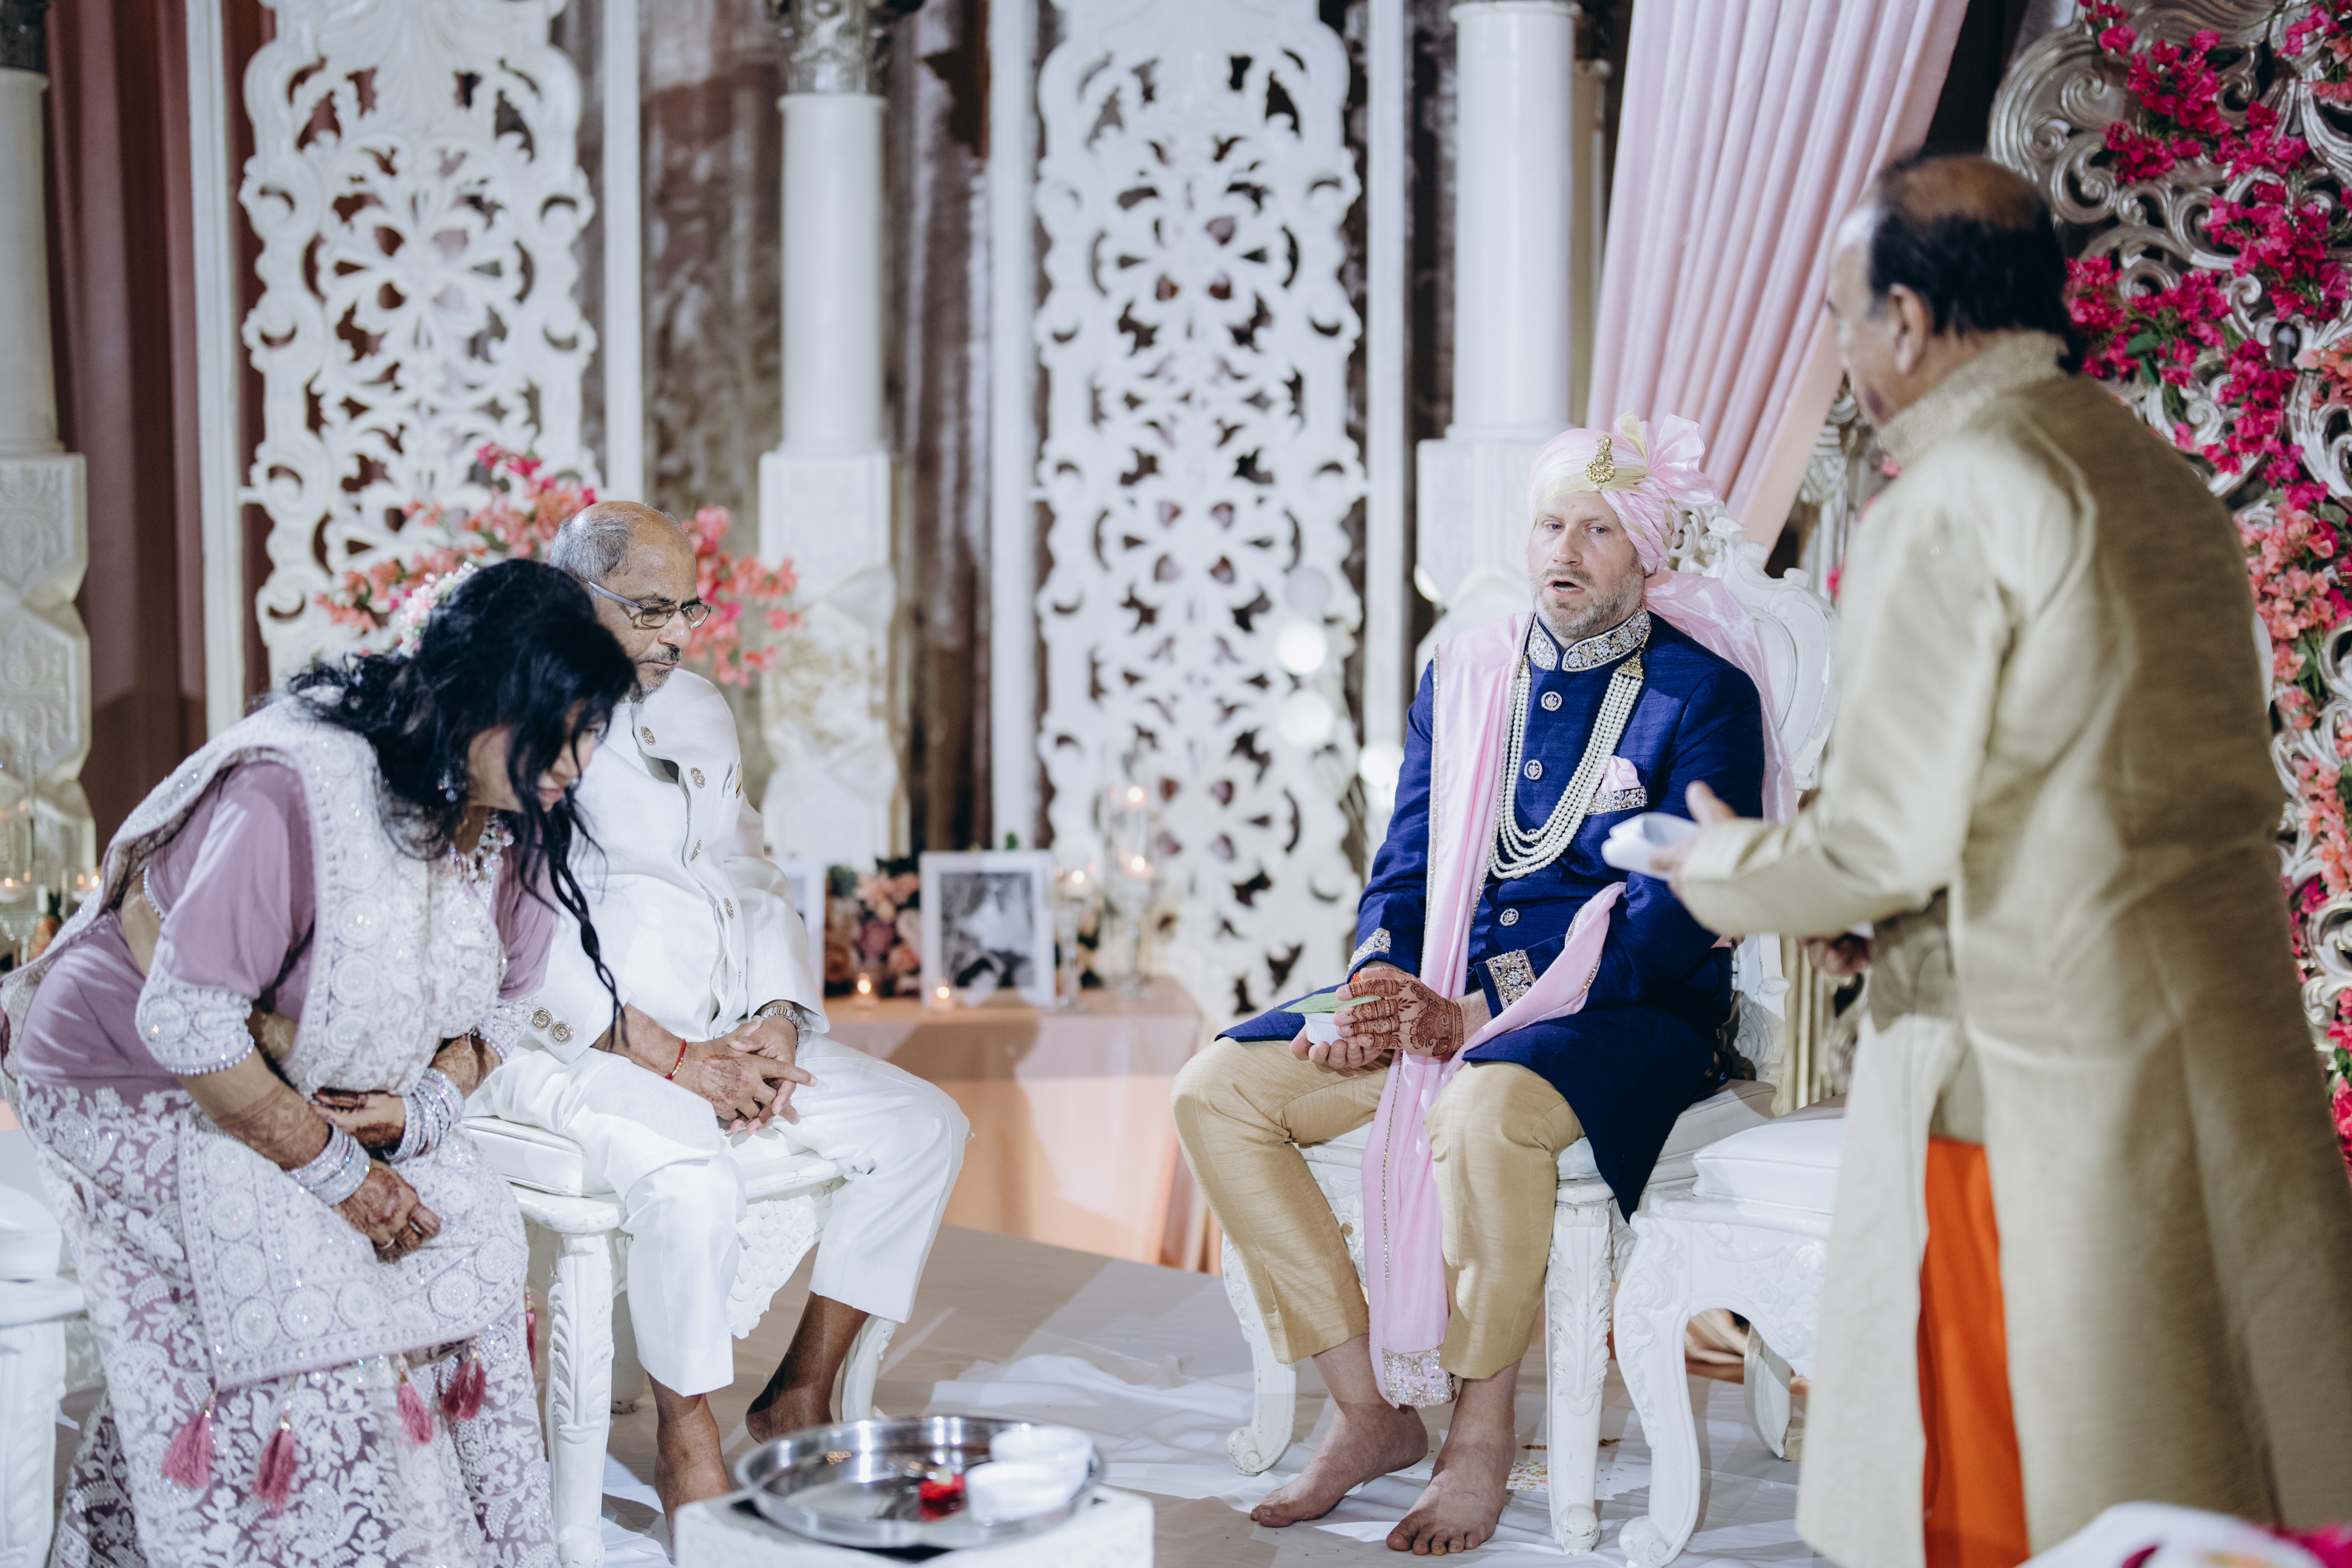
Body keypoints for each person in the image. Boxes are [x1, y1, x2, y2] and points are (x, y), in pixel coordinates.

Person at [1654, 153, 2352, 1568]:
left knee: (2017, 1494)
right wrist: (1887, 913)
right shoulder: (2158, 480)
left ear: (1908, 321)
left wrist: (1723, 866)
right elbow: (2094, 784)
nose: (1844, 351)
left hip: (2027, 1080)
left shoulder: (1951, 493)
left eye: (1842, 317)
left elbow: (1881, 837)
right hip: (2219, 1053)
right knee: (2202, 1475)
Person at [1175, 413, 1782, 1555]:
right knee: (1216, 1088)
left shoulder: (1702, 693)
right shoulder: (1462, 671)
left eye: (1597, 529)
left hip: (1622, 1010)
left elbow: (1679, 914)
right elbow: (1405, 863)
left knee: (1482, 1107)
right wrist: (1377, 982)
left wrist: (1477, 1011)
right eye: (1550, 524)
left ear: (1645, 552)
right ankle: (1366, 1408)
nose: (1564, 550)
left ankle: (1479, 1430)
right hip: (1437, 989)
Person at [0, 559, 635, 1567]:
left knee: (472, 1230)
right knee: (299, 1272)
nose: (575, 759)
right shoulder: (297, 790)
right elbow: (192, 1024)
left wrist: (420, 1114)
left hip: (301, 1084)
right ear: (472, 694)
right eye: (554, 727)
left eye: (592, 728)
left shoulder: (520, 816)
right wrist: (344, 1175)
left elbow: (505, 1009)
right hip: (129, 1070)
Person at [470, 501, 968, 1522]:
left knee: (923, 1125)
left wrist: (777, 1013)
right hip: (570, 1043)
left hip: (722, 1025)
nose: (676, 636)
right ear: (571, 595)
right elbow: (508, 932)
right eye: (649, 609)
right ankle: (685, 1431)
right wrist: (675, 1058)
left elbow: (746, 866)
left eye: (687, 608)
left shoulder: (697, 707)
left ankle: (799, 1394)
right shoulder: (508, 714)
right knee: (688, 1170)